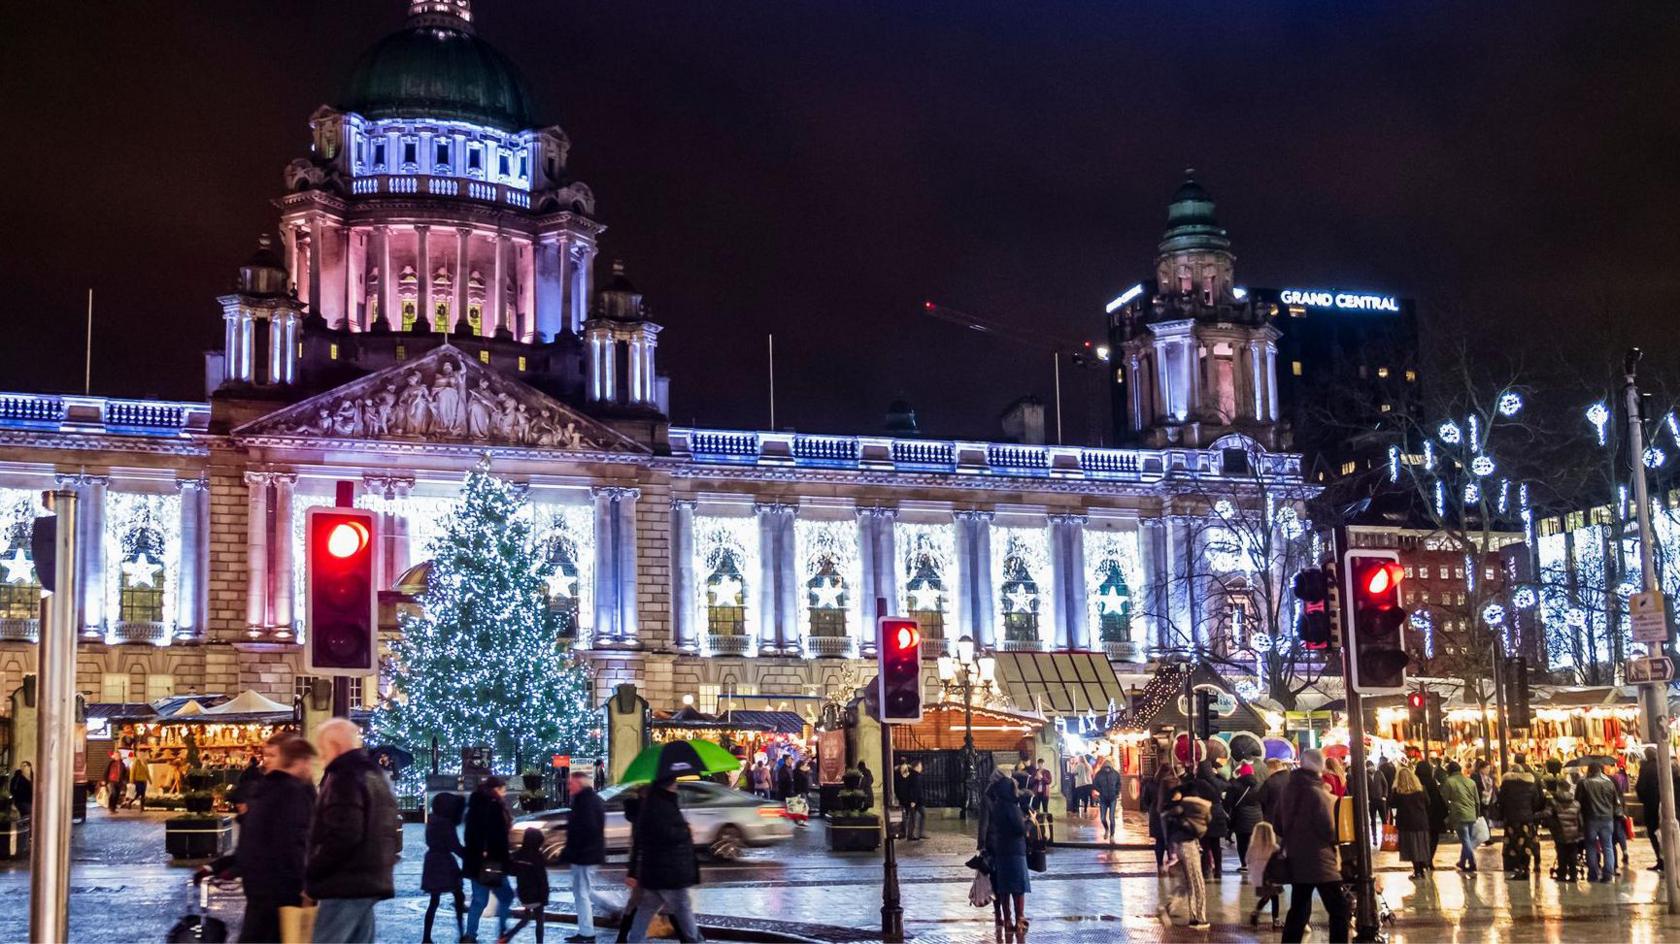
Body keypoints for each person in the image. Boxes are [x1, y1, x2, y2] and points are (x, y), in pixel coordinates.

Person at [199, 736, 317, 943]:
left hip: (259, 888)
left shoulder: (263, 790)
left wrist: (220, 867)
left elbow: (250, 842)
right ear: (298, 761)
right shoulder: (292, 792)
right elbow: (294, 843)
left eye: (271, 755)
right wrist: (304, 886)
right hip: (283, 891)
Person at [305, 719, 397, 944]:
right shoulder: (375, 775)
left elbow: (343, 834)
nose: (321, 756)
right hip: (369, 880)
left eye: (323, 749)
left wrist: (312, 872)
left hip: (345, 881)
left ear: (334, 746)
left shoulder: (344, 777)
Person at [1276, 749, 1349, 944]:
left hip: (1296, 857)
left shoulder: (1288, 790)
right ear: (1320, 766)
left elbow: (1278, 823)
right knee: (1339, 909)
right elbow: (1328, 828)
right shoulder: (1317, 792)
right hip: (1320, 859)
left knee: (1299, 908)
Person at [625, 776, 702, 943]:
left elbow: (640, 839)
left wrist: (633, 871)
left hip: (655, 870)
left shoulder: (652, 804)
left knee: (646, 908)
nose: (676, 786)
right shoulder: (662, 806)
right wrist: (686, 831)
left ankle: (634, 940)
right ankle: (696, 941)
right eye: (674, 783)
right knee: (682, 908)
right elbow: (667, 834)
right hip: (669, 870)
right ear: (669, 785)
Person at [464, 776, 517, 943]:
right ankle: (502, 933)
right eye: (503, 789)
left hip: (476, 862)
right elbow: (497, 837)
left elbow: (470, 835)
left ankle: (470, 935)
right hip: (493, 862)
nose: (505, 792)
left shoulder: (476, 805)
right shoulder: (493, 806)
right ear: (495, 789)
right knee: (506, 896)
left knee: (479, 900)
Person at [983, 771, 1032, 941]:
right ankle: (1020, 919)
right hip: (1015, 851)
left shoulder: (998, 806)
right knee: (1018, 888)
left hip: (1002, 851)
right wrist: (1029, 822)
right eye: (1015, 787)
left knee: (1004, 889)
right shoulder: (1012, 807)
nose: (1017, 790)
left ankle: (1007, 919)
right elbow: (1019, 830)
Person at [558, 766, 605, 943]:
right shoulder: (587, 799)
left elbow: (587, 829)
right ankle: (586, 931)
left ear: (579, 783)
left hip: (585, 856)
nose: (569, 787)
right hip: (585, 855)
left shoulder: (586, 802)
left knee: (582, 893)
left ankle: (587, 933)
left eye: (571, 783)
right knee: (582, 891)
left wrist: (571, 850)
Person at [1161, 770, 1211, 929]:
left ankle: (1173, 907)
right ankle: (1198, 918)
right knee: (1197, 882)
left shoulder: (1169, 807)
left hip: (1179, 845)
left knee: (1187, 883)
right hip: (1188, 845)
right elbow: (1205, 817)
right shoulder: (1186, 806)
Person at [421, 792, 468, 944]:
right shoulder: (446, 824)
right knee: (458, 896)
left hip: (432, 862)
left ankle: (426, 937)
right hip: (445, 863)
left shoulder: (432, 821)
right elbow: (455, 846)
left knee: (434, 901)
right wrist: (470, 857)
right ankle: (462, 933)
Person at [1634, 746, 1679, 872]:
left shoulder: (1646, 769)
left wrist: (1645, 800)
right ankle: (1672, 859)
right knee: (1671, 834)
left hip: (1651, 807)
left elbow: (1640, 788)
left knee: (1654, 834)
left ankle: (1661, 861)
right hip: (1671, 806)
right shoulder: (1670, 766)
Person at [1498, 757, 1544, 878]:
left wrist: (1502, 815)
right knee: (1526, 843)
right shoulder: (1530, 784)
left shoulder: (1506, 785)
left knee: (1513, 844)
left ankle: (1517, 868)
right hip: (1527, 819)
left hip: (1511, 819)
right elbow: (1536, 801)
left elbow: (1501, 801)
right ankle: (1526, 868)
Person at [1578, 762, 1624, 883]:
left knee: (1591, 846)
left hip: (1590, 819)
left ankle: (1593, 874)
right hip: (1607, 819)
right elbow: (1615, 801)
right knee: (1607, 846)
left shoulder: (1584, 783)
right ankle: (1608, 873)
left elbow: (1578, 801)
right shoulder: (1609, 782)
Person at [502, 828, 550, 943]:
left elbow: (511, 870)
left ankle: (507, 937)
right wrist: (545, 898)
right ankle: (539, 942)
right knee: (539, 921)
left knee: (526, 917)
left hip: (523, 894)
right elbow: (542, 880)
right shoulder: (538, 857)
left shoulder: (518, 855)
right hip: (537, 895)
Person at [1390, 766, 1433, 878]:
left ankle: (1417, 871)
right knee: (1421, 846)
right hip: (1421, 822)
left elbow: (1392, 804)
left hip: (1406, 824)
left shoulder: (1398, 793)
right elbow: (1428, 803)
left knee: (1412, 847)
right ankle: (1422, 867)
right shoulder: (1421, 790)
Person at [1191, 759, 1229, 878]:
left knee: (1205, 845)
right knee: (1216, 844)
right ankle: (1218, 870)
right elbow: (1228, 785)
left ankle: (1205, 869)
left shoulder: (1196, 783)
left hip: (1202, 814)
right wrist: (1217, 774)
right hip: (1216, 814)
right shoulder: (1216, 782)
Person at [1441, 761, 1481, 873]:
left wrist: (1449, 808)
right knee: (1467, 839)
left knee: (1465, 839)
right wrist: (1477, 814)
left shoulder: (1449, 782)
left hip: (1459, 814)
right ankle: (1462, 862)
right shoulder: (1471, 782)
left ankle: (1472, 862)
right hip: (1471, 813)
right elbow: (1477, 800)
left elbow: (1444, 799)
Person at [1245, 820, 1283, 930]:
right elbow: (1281, 859)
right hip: (1272, 876)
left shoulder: (1253, 848)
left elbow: (1247, 859)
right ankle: (1273, 919)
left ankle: (1257, 914)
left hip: (1258, 876)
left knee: (1269, 896)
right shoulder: (1274, 847)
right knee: (1273, 897)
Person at [1225, 761, 1264, 870]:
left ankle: (1244, 864)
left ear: (1241, 773)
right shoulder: (1259, 785)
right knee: (1255, 842)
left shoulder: (1235, 785)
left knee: (1242, 842)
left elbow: (1228, 802)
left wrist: (1228, 814)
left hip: (1240, 818)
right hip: (1257, 817)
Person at [1547, 777, 1583, 882]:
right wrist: (1580, 832)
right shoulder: (1576, 804)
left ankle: (1561, 875)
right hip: (1574, 834)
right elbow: (1580, 820)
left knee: (1561, 854)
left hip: (1560, 833)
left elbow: (1548, 815)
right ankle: (1573, 875)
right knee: (1573, 855)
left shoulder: (1554, 803)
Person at [1416, 758, 1449, 859]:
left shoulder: (1416, 782)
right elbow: (1437, 798)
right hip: (1433, 815)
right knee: (1434, 837)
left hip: (1420, 815)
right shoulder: (1432, 782)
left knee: (1421, 839)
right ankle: (1430, 858)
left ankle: (1423, 859)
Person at [1093, 759, 1121, 838]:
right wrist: (1100, 790)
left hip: (1112, 798)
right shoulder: (1099, 774)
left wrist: (1116, 792)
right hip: (1103, 799)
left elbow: (1119, 783)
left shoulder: (1115, 774)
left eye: (1108, 768)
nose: (1107, 769)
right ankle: (1107, 829)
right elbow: (1095, 784)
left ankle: (1112, 835)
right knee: (1102, 818)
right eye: (1106, 768)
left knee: (1111, 818)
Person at [1257, 758, 1290, 825]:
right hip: (1291, 817)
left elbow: (1261, 799)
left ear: (1271, 768)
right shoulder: (1293, 778)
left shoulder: (1270, 782)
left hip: (1274, 819)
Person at [1365, 761, 1389, 843]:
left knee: (1384, 819)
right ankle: (1374, 837)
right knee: (1373, 820)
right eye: (1368, 766)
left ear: (1373, 766)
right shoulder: (1365, 775)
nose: (1370, 767)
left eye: (1371, 766)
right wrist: (1367, 799)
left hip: (1381, 800)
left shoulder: (1379, 773)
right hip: (1371, 801)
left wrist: (1384, 796)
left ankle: (1386, 836)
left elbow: (1385, 784)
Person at [901, 761, 925, 841]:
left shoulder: (914, 775)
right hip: (915, 800)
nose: (921, 767)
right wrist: (913, 800)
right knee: (913, 818)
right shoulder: (915, 776)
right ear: (917, 767)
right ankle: (911, 835)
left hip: (916, 800)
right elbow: (914, 789)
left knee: (917, 816)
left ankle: (916, 834)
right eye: (920, 766)